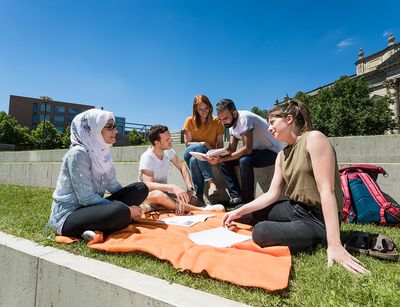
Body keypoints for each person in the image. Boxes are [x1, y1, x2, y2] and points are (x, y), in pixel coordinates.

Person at [222, 99, 369, 275]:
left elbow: (326, 190)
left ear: (289, 119)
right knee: (241, 211)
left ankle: (324, 237)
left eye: (272, 122)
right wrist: (240, 211)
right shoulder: (281, 156)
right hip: (295, 207)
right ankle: (279, 224)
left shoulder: (314, 139)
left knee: (261, 232)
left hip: (317, 217)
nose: (269, 128)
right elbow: (272, 194)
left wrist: (335, 245)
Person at [47, 109, 148, 240]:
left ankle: (100, 224)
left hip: (93, 208)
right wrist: (128, 209)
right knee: (120, 210)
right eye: (110, 127)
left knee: (140, 189)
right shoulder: (78, 154)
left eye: (115, 127)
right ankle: (111, 220)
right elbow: (86, 198)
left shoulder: (103, 153)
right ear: (93, 129)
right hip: (69, 215)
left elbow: (113, 185)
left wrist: (132, 203)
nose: (116, 131)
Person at [206, 98, 282, 206]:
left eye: (225, 118)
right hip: (256, 153)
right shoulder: (231, 124)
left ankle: (247, 201)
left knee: (244, 160)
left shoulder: (244, 118)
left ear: (234, 113)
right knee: (223, 162)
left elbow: (247, 149)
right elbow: (231, 149)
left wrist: (223, 158)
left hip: (272, 151)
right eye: (220, 119)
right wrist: (216, 157)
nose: (223, 122)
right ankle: (235, 197)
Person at [139, 125, 224, 213]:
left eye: (170, 137)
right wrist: (172, 187)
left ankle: (162, 207)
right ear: (157, 143)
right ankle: (202, 210)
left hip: (164, 194)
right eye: (167, 139)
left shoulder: (168, 151)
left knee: (193, 200)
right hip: (147, 196)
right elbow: (148, 185)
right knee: (159, 195)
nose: (171, 140)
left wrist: (189, 188)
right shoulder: (147, 157)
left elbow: (182, 166)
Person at [182, 95, 225, 203]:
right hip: (190, 152)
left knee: (194, 161)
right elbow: (187, 143)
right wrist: (204, 144)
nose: (203, 111)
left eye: (206, 108)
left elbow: (220, 143)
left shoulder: (217, 121)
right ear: (195, 110)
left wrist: (217, 154)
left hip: (207, 154)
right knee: (196, 153)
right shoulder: (189, 121)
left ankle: (199, 196)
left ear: (210, 107)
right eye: (200, 109)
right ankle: (211, 183)